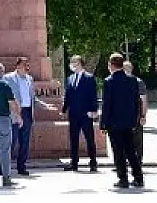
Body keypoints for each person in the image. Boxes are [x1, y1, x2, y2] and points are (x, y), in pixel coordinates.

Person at [3, 56, 56, 176]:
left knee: (25, 142)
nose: (27, 67)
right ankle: (5, 168)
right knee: (11, 141)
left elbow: (33, 98)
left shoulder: (29, 79)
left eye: (28, 65)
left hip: (27, 113)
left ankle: (21, 167)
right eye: (24, 65)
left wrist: (45, 106)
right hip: (14, 112)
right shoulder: (8, 78)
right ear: (17, 66)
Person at [103, 54, 145, 189]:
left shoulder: (109, 81)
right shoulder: (132, 80)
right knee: (131, 150)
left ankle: (123, 179)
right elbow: (135, 102)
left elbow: (107, 105)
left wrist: (104, 123)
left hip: (114, 122)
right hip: (128, 122)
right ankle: (138, 177)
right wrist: (135, 119)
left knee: (118, 152)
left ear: (111, 65)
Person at [61, 55, 98, 172]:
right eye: (72, 62)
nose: (72, 64)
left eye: (75, 62)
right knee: (73, 139)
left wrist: (94, 110)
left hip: (86, 114)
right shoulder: (70, 78)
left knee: (90, 139)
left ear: (80, 63)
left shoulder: (89, 77)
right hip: (74, 114)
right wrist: (64, 109)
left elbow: (93, 96)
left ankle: (93, 162)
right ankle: (74, 163)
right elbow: (68, 96)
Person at [123, 61, 148, 163]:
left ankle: (137, 161)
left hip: (135, 115)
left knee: (137, 139)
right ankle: (124, 161)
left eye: (127, 68)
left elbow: (144, 100)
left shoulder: (138, 82)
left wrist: (143, 116)